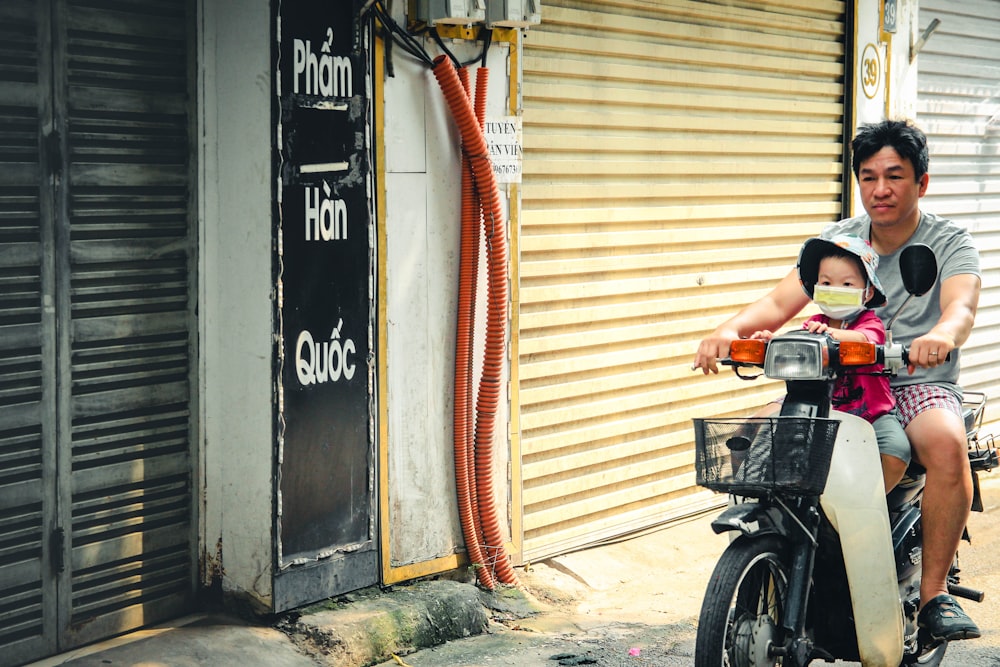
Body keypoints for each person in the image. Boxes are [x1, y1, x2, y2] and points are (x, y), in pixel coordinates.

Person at [692, 119, 982, 642]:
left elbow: (960, 306)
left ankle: (935, 595)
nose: (881, 189)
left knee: (945, 442)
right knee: (750, 440)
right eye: (868, 177)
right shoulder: (838, 240)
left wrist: (940, 334)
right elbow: (779, 304)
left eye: (895, 176)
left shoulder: (948, 242)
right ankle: (779, 552)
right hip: (838, 382)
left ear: (922, 182)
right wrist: (726, 330)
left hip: (914, 379)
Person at [747, 233, 910, 493]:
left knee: (896, 451)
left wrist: (830, 336)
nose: (836, 290)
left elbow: (865, 340)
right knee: (752, 428)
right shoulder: (813, 322)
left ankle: (867, 503)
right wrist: (771, 341)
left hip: (870, 413)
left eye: (847, 284)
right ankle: (765, 498)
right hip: (814, 407)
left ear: (867, 292)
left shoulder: (870, 324)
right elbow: (797, 343)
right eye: (826, 282)